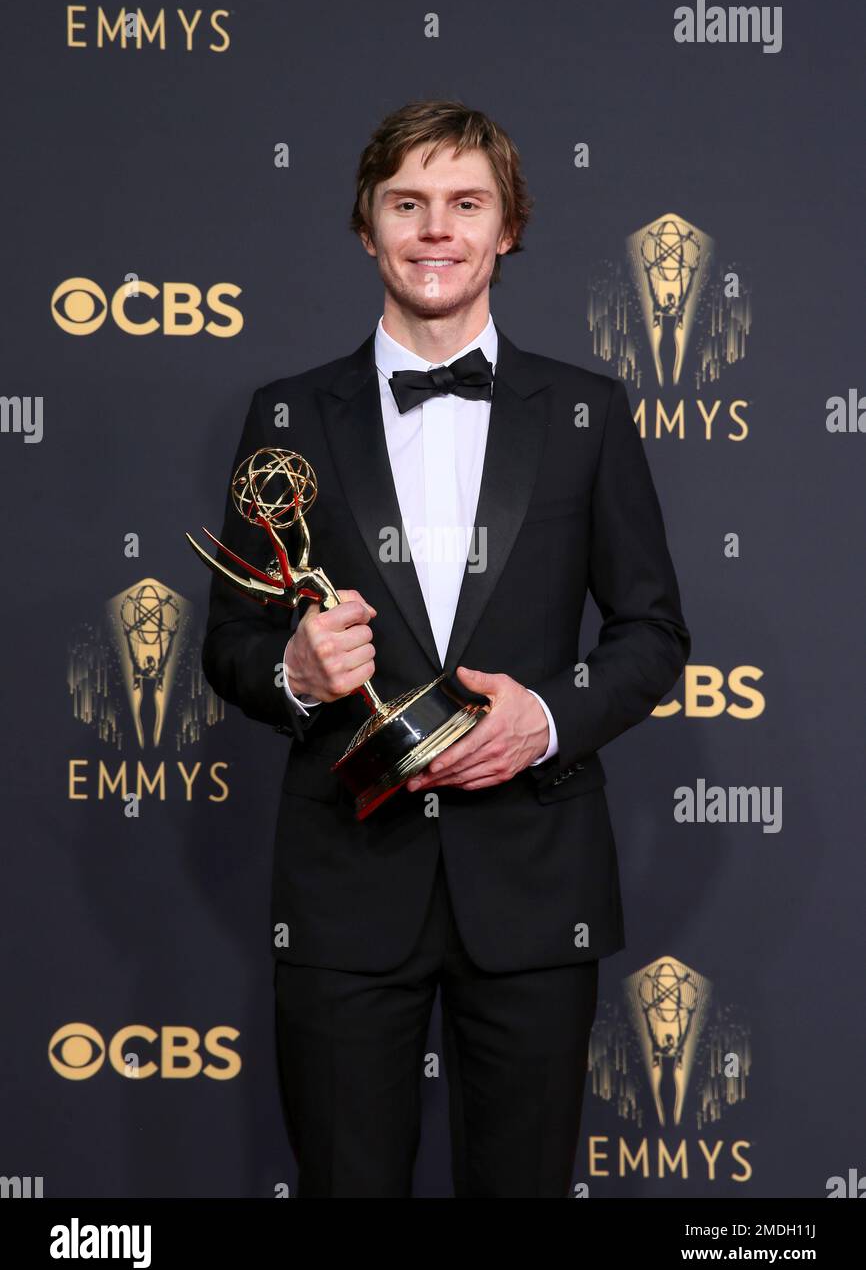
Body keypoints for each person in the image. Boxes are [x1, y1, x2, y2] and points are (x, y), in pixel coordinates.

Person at [202, 99, 691, 1197]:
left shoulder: (585, 410)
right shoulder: (285, 417)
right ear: (365, 228)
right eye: (406, 204)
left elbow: (651, 630)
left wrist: (547, 718)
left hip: (531, 882)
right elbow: (224, 642)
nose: (435, 229)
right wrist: (289, 670)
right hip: (342, 885)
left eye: (464, 204)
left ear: (505, 228)